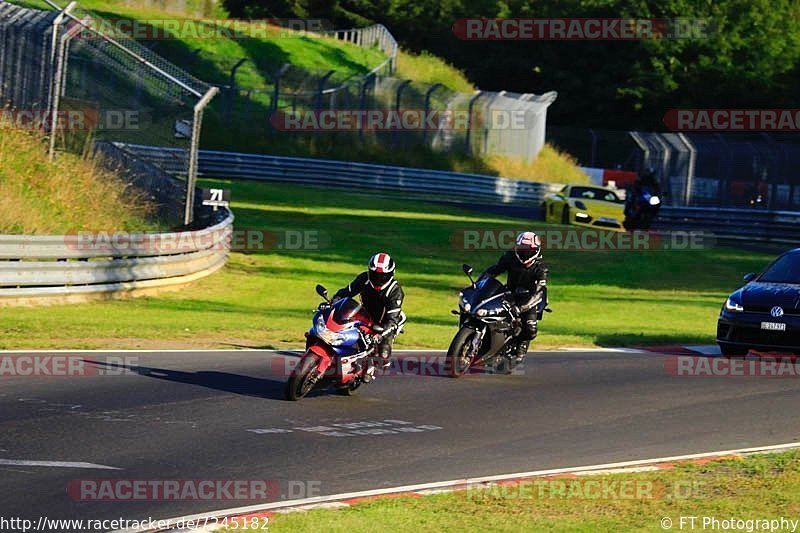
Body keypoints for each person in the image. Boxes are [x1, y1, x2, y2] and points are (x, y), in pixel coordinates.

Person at [480, 232, 548, 362]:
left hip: (530, 299)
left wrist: (522, 308)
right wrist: (479, 285)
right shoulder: (510, 257)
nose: (525, 253)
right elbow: (494, 270)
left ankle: (521, 345)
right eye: (522, 249)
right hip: (509, 293)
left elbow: (539, 291)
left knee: (530, 329)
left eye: (528, 250)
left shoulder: (541, 268)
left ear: (535, 250)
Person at [334, 253, 406, 373]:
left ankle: (369, 367)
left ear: (391, 274)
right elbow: (346, 292)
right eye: (375, 275)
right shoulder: (364, 279)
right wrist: (334, 300)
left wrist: (381, 334)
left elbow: (392, 320)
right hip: (364, 314)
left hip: (384, 322)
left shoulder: (395, 291)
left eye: (382, 276)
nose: (378, 279)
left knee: (382, 358)